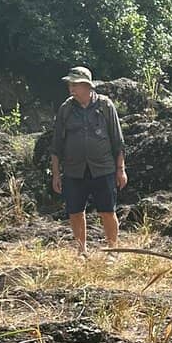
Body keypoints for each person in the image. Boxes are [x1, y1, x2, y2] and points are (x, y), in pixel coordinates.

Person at [50, 66, 127, 255]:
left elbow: (118, 142)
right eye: (70, 84)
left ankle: (112, 250)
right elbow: (56, 145)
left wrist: (121, 169)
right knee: (75, 212)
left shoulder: (105, 106)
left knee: (107, 211)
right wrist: (56, 174)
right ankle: (81, 251)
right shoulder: (66, 109)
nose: (71, 89)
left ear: (87, 85)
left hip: (103, 169)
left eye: (75, 84)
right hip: (74, 171)